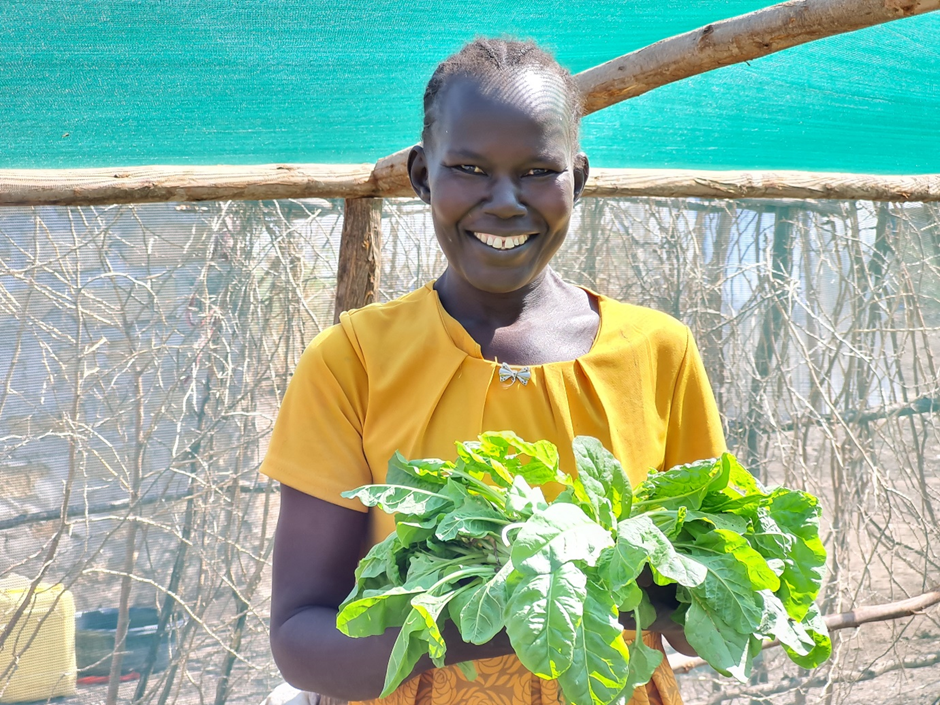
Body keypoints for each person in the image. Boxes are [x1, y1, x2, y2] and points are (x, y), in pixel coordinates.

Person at [262, 38, 726, 705]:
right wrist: (514, 610)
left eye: (539, 170)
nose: (504, 201)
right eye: (471, 168)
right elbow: (301, 637)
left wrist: (703, 591)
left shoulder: (659, 352)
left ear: (579, 178)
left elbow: (695, 618)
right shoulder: (354, 360)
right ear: (423, 176)